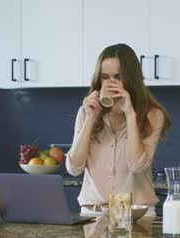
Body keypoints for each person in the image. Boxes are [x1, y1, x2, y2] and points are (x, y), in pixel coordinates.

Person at [65, 43, 171, 215]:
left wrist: (130, 113)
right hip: (94, 213)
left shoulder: (153, 116)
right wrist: (90, 119)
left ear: (131, 79)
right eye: (105, 77)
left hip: (136, 214)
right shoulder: (86, 112)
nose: (110, 83)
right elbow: (74, 168)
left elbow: (137, 165)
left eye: (118, 77)